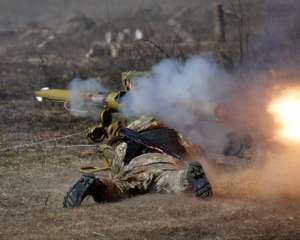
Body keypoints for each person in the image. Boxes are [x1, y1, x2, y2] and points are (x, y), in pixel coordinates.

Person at [63, 116, 212, 208]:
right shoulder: (177, 133)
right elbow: (195, 153)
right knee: (172, 181)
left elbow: (116, 160)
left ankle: (96, 185)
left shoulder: (130, 134)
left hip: (135, 163)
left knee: (118, 187)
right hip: (164, 161)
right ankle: (188, 177)